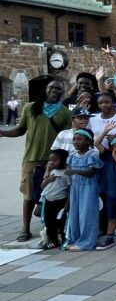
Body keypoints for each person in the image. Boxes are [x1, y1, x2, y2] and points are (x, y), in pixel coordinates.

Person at [0, 80, 71, 242]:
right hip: (32, 157)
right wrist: (3, 133)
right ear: (45, 90)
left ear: (62, 92)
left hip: (54, 160)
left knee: (53, 194)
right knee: (28, 194)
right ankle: (25, 228)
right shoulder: (30, 108)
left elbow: (66, 138)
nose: (54, 90)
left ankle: (50, 228)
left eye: (58, 88)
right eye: (51, 87)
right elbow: (20, 129)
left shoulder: (65, 113)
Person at [65, 129, 103, 251]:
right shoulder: (72, 156)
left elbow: (91, 173)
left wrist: (75, 171)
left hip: (88, 187)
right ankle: (76, 239)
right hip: (75, 187)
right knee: (74, 214)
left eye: (79, 139)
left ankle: (87, 242)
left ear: (88, 141)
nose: (76, 142)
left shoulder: (92, 155)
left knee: (87, 215)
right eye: (74, 139)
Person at [39, 149, 70, 250]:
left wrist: (67, 205)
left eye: (55, 160)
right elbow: (42, 186)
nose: (52, 162)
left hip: (60, 201)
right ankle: (53, 240)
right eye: (50, 160)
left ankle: (64, 239)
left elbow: (70, 189)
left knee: (61, 222)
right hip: (49, 200)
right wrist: (48, 178)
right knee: (49, 222)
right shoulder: (50, 172)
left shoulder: (66, 173)